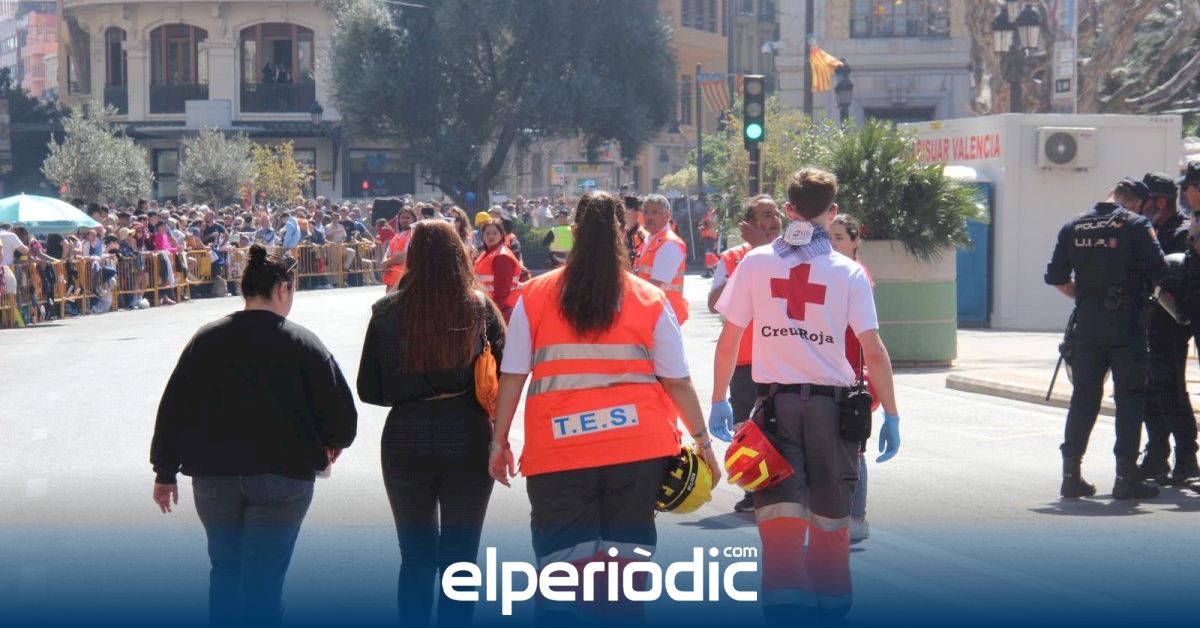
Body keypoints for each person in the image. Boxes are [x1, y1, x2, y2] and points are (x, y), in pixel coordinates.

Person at [490, 191, 719, 623]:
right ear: (624, 232)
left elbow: (513, 375)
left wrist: (498, 442)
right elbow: (677, 381)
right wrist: (703, 443)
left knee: (560, 581)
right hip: (637, 453)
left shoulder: (534, 296)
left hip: (558, 454)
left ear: (575, 232)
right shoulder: (649, 298)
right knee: (622, 585)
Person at [710, 168, 900, 620]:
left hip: (774, 411)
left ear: (788, 209)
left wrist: (719, 399)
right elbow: (873, 350)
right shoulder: (848, 272)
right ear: (832, 211)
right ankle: (830, 614)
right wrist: (892, 413)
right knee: (831, 527)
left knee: (779, 527)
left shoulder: (756, 263)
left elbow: (730, 339)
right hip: (832, 414)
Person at [150, 244, 358, 626]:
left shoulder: (206, 339)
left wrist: (165, 472)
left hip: (214, 480)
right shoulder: (304, 343)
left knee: (226, 573)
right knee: (264, 583)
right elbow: (342, 418)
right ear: (282, 288)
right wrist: (332, 443)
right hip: (284, 479)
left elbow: (175, 408)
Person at [357, 220, 504, 628]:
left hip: (406, 434)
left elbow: (369, 389)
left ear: (413, 257)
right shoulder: (479, 307)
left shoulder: (386, 312)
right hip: (467, 431)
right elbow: (505, 372)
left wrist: (409, 387)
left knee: (416, 557)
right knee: (462, 559)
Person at [1044, 180, 1166, 500]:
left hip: (1086, 325)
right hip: (1127, 326)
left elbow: (1057, 277)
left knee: (1083, 397)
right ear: (1137, 203)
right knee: (1129, 398)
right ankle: (1126, 477)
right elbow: (1161, 271)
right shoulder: (1136, 225)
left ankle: (1071, 476)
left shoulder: (1074, 225)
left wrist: (1086, 299)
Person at [707, 194, 783, 515]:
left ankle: (785, 490)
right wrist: (749, 260)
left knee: (781, 428)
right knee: (747, 431)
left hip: (781, 359)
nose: (774, 220)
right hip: (744, 360)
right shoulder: (732, 258)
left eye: (776, 213)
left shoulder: (793, 253)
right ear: (748, 224)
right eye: (766, 215)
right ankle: (755, 491)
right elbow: (714, 303)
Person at [1136, 172, 1198, 485]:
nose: (1141, 207)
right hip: (1149, 324)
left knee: (1171, 389)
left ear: (1160, 201)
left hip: (1172, 325)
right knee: (1150, 391)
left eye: (1145, 201)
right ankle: (1157, 454)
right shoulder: (1151, 229)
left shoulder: (1180, 232)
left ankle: (1186, 458)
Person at [829, 213, 878, 542]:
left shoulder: (857, 276)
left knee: (853, 450)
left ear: (855, 241)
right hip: (833, 373)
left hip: (853, 378)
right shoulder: (834, 273)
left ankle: (856, 517)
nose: (832, 244)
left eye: (839, 238)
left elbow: (869, 340)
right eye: (829, 237)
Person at [633, 194, 689, 325]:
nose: (649, 217)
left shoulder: (669, 243)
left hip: (664, 315)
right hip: (656, 312)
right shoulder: (650, 239)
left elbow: (655, 284)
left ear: (667, 215)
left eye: (654, 212)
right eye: (646, 212)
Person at [475, 219, 521, 321]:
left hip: (501, 310)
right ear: (482, 236)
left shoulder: (501, 256)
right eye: (487, 233)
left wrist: (495, 311)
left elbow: (502, 288)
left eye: (495, 233)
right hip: (489, 307)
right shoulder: (487, 253)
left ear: (501, 235)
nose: (491, 236)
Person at [381, 207, 418, 292]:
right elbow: (387, 253)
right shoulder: (397, 235)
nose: (405, 220)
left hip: (404, 281)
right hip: (391, 281)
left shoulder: (413, 235)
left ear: (413, 219)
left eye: (407, 218)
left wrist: (387, 263)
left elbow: (405, 256)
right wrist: (384, 264)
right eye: (402, 218)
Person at [623, 196, 648, 266]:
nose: (625, 217)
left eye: (628, 214)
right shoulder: (619, 234)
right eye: (623, 213)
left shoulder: (643, 236)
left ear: (637, 214)